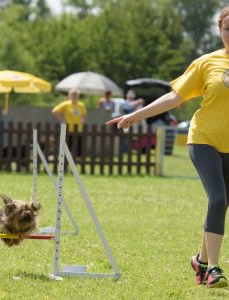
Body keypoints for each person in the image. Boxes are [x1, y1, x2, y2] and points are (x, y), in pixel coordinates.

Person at [106, 6, 229, 289]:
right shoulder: (206, 63)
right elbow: (175, 97)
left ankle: (200, 260)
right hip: (204, 140)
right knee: (219, 199)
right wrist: (134, 116)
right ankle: (213, 270)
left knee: (222, 203)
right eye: (227, 28)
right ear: (220, 31)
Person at [52, 89, 87, 157]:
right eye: (72, 94)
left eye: (76, 95)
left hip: (78, 129)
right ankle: (66, 161)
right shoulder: (65, 104)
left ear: (78, 96)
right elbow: (54, 111)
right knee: (68, 146)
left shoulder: (81, 105)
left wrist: (82, 120)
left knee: (79, 148)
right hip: (68, 129)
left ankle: (77, 161)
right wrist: (62, 120)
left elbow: (84, 114)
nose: (74, 96)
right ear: (69, 96)